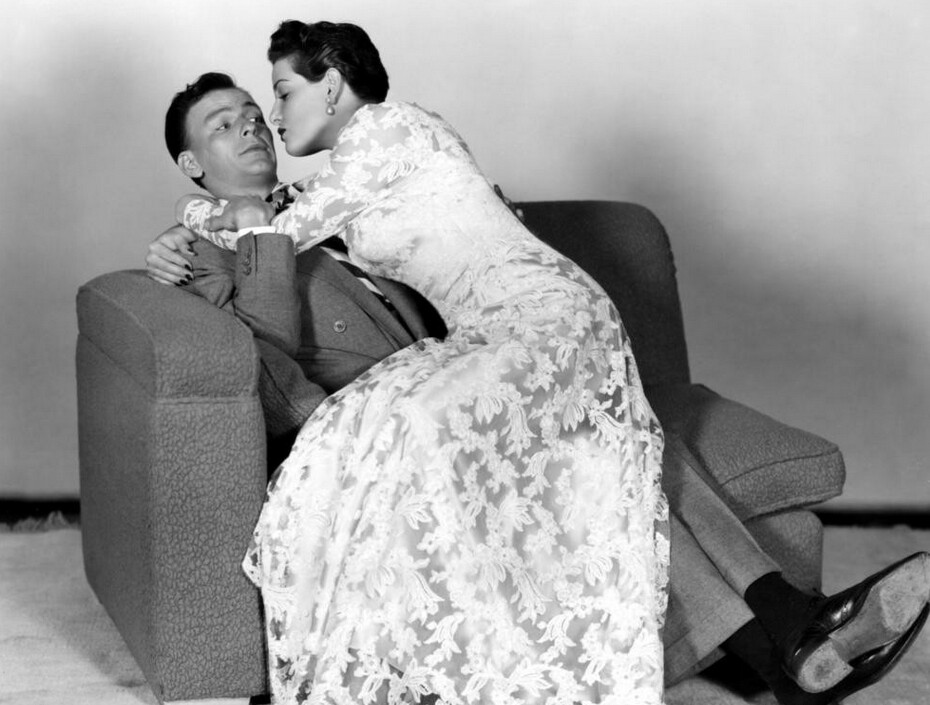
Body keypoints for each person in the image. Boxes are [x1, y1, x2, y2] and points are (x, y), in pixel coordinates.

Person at [148, 43, 929, 703]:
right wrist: (242, 230)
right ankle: (784, 641)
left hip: (474, 371)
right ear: (191, 163)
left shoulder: (340, 189)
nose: (253, 124)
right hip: (401, 420)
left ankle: (791, 642)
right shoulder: (205, 254)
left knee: (623, 444)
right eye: (224, 124)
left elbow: (457, 229)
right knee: (604, 450)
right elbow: (266, 351)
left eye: (256, 110)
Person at [175, 21, 670, 704]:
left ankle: (442, 670)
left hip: (545, 316)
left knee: (419, 424)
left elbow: (277, 228)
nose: (272, 119)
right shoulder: (352, 171)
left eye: (280, 95)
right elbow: (281, 221)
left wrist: (193, 212)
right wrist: (197, 220)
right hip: (487, 334)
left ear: (331, 86)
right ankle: (426, 662)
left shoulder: (388, 129)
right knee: (404, 428)